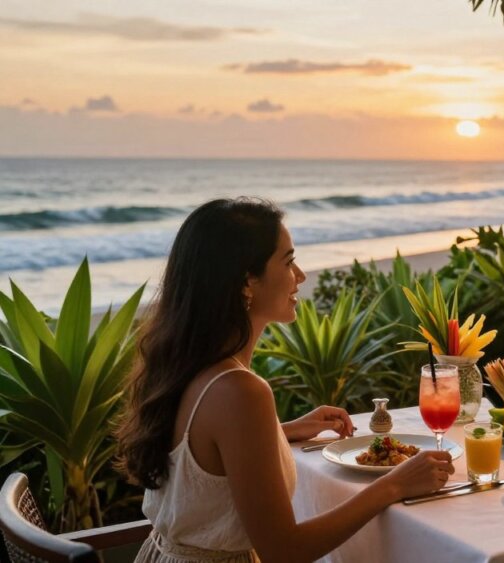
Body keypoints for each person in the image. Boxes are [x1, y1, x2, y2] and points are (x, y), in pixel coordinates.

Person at [116, 198, 454, 563]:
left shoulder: (185, 364)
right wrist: (394, 484)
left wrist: (281, 431)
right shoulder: (239, 391)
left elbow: (203, 457)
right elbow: (285, 551)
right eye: (289, 261)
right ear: (247, 281)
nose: (301, 276)